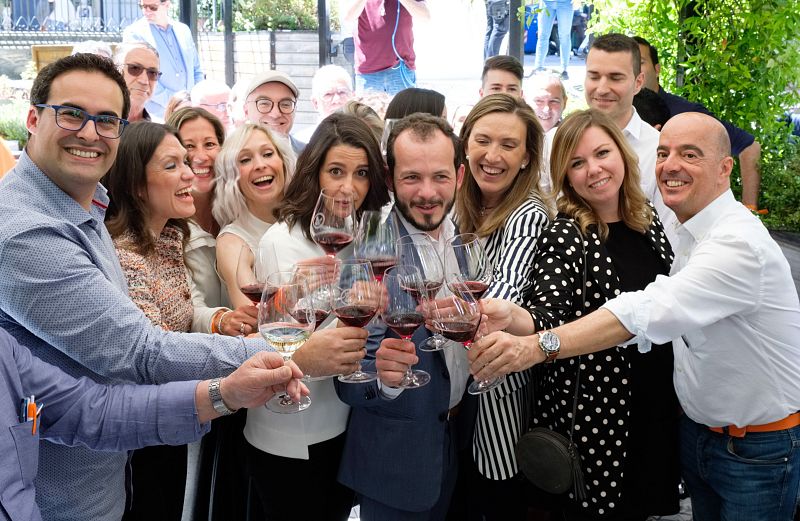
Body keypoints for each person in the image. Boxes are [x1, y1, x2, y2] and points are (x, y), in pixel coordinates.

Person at [0, 52, 308, 521]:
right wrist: (287, 349)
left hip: (103, 471)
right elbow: (139, 353)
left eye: (107, 120)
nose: (89, 132)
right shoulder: (27, 234)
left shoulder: (84, 205)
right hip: (56, 501)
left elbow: (84, 404)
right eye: (71, 114)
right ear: (32, 119)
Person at [470, 112, 800, 521]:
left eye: (690, 154)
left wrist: (537, 346)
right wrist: (514, 320)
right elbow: (546, 313)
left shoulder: (702, 234)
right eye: (664, 152)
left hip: (734, 440)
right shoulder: (591, 230)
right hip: (606, 421)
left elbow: (651, 309)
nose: (593, 169)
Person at [0, 327, 304, 521]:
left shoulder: (4, 350)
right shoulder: (27, 238)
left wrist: (225, 393)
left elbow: (91, 411)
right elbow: (142, 349)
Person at [247, 113, 389, 521]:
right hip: (291, 430)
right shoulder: (282, 240)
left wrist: (371, 311)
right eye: (336, 172)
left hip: (348, 421)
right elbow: (270, 336)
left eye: (361, 173)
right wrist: (297, 295)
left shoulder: (366, 236)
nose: (348, 187)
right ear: (314, 174)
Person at [335, 113, 471, 520]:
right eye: (412, 178)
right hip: (396, 467)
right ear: (391, 180)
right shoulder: (370, 249)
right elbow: (348, 382)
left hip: (458, 448)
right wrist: (386, 377)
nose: (427, 193)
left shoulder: (464, 237)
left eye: (440, 177)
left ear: (459, 176)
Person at [453, 93, 551, 520]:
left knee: (490, 496)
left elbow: (502, 299)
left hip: (492, 388)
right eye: (483, 141)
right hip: (451, 382)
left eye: (508, 145)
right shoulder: (455, 204)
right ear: (466, 144)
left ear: (527, 157)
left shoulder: (527, 214)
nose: (493, 156)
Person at [634, 36, 763, 210]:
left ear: (657, 69)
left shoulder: (687, 113)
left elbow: (750, 147)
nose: (633, 69)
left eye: (639, 62)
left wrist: (750, 209)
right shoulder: (615, 114)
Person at [213, 123, 295, 308]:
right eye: (245, 160)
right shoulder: (232, 242)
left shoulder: (307, 222)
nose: (260, 165)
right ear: (231, 176)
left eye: (267, 154)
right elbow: (254, 318)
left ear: (283, 161)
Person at [167, 107, 227, 308]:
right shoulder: (164, 224)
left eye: (209, 144)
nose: (201, 157)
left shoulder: (239, 210)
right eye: (189, 146)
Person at [122, 0, 204, 120]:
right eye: (143, 6)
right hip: (158, 114)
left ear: (167, 4)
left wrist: (195, 99)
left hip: (190, 109)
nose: (146, 11)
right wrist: (177, 103)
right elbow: (141, 77)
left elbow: (196, 70)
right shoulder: (135, 33)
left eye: (152, 7)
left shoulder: (183, 30)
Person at [344, 0, 430, 95]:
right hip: (368, 72)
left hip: (400, 70)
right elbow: (348, 17)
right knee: (367, 110)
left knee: (403, 110)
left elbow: (425, 16)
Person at [243, 70, 305, 155]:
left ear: (295, 110)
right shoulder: (230, 158)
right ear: (246, 111)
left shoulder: (312, 156)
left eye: (285, 104)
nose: (275, 114)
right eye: (264, 103)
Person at [294, 64, 355, 143]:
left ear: (353, 97)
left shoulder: (366, 137)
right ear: (315, 103)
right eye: (328, 94)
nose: (337, 100)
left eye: (342, 92)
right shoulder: (302, 142)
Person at [113, 42, 161, 122]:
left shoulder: (162, 131)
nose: (144, 81)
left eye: (152, 73)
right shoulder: (91, 122)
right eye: (135, 68)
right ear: (115, 71)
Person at [532, 0, 574, 79]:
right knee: (542, 35)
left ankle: (564, 69)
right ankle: (538, 67)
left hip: (565, 2)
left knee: (565, 36)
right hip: (546, 2)